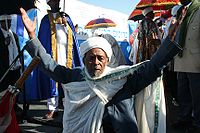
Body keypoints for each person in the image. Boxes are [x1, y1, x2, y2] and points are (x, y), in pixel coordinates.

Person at [20, 7, 183, 133]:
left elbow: (153, 67)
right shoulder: (75, 76)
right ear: (84, 60)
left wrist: (169, 40)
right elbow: (49, 65)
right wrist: (33, 36)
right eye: (91, 58)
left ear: (107, 60)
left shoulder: (121, 79)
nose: (96, 62)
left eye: (100, 58)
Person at [37, 0, 83, 119]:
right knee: (52, 80)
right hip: (52, 54)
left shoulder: (66, 17)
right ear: (49, 3)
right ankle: (52, 108)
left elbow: (73, 35)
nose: (55, 2)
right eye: (53, 1)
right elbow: (43, 39)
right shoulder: (45, 20)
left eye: (57, 0)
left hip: (66, 53)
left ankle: (68, 106)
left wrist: (66, 25)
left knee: (67, 79)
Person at [172, 0, 200, 132]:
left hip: (196, 60)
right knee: (182, 93)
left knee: (197, 95)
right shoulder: (179, 12)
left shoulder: (198, 9)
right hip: (181, 59)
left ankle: (198, 122)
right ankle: (185, 118)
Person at [0, 14, 21, 133]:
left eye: (9, 21)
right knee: (4, 91)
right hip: (4, 69)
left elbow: (18, 49)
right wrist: (4, 45)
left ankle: (14, 107)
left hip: (14, 67)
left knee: (14, 89)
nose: (7, 24)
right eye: (5, 21)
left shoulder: (14, 35)